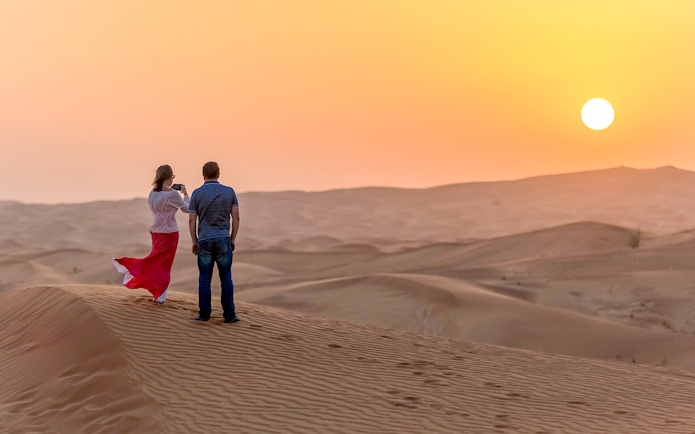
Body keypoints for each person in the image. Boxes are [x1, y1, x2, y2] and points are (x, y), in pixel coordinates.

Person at [113, 164, 189, 303]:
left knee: (156, 261)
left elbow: (160, 210)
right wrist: (185, 193)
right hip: (170, 234)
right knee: (164, 266)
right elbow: (187, 209)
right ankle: (158, 294)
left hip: (156, 234)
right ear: (169, 177)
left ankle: (157, 292)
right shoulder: (173, 194)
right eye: (172, 177)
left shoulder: (152, 194)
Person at [188, 161, 240, 323]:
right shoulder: (229, 192)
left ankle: (204, 314)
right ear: (218, 174)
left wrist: (194, 241)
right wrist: (232, 238)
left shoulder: (197, 193)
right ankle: (229, 315)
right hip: (223, 239)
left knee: (204, 279)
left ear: (203, 174)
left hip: (204, 240)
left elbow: (191, 220)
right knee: (226, 278)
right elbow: (236, 217)